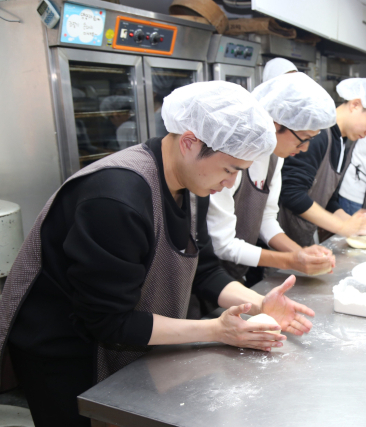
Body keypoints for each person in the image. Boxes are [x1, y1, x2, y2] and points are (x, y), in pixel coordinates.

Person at [0, 82, 316, 426]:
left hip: (124, 336)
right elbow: (109, 321)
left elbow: (204, 269)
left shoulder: (192, 183)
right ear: (189, 142)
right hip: (64, 351)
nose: (230, 184)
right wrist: (216, 330)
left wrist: (258, 304)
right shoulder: (117, 198)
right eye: (230, 170)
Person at [207, 72, 337, 286]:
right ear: (274, 124)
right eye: (303, 139)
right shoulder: (228, 161)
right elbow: (223, 244)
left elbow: (266, 218)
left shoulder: (274, 158)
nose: (305, 149)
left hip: (236, 273)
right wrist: (290, 260)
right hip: (206, 277)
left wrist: (301, 252)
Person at [278, 78, 366, 246]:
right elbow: (291, 193)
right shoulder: (317, 135)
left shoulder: (340, 141)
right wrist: (343, 227)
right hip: (279, 238)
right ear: (355, 105)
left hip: (301, 235)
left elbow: (328, 199)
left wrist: (353, 224)